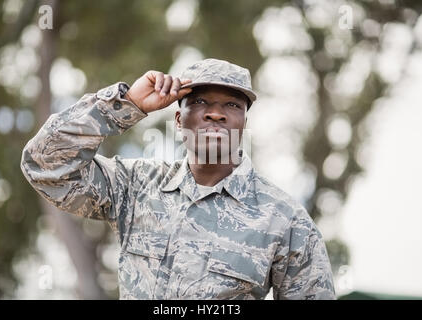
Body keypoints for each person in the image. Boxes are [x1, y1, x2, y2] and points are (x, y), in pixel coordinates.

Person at [21, 58, 336, 300]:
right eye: (199, 102)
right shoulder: (135, 187)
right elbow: (45, 166)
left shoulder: (286, 221)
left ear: (243, 121)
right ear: (177, 118)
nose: (216, 113)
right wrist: (126, 104)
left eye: (232, 104)